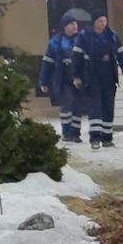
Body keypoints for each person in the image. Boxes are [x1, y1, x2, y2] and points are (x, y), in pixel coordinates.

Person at [77, 14, 123, 150]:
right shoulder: (85, 36)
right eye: (100, 20)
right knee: (95, 108)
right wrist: (76, 76)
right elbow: (76, 57)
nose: (103, 23)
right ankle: (95, 138)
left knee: (108, 107)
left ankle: (107, 138)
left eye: (105, 20)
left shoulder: (112, 36)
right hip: (92, 76)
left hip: (109, 76)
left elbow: (121, 54)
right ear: (94, 22)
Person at [38, 9, 88, 143]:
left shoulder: (81, 41)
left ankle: (75, 134)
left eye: (76, 23)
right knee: (68, 104)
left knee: (77, 106)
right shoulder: (55, 43)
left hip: (78, 80)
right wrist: (43, 81)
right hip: (63, 80)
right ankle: (66, 133)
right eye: (72, 24)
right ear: (65, 26)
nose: (75, 26)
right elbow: (47, 63)